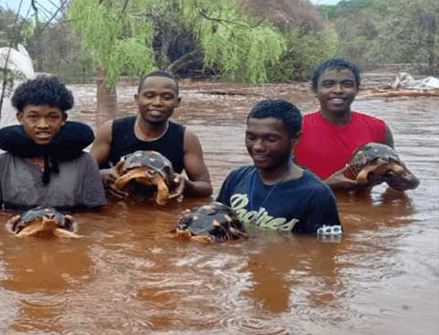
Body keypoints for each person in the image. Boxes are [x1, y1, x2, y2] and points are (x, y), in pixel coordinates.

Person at [0, 75, 106, 211]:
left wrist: (70, 226)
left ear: (63, 119)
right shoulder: (1, 164)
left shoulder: (84, 163)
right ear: (20, 117)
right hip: (19, 230)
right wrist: (12, 227)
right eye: (33, 117)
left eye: (52, 117)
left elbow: (95, 217)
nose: (43, 125)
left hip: (68, 231)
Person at [217, 99, 342, 236]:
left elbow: (326, 250)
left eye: (271, 139)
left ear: (295, 139)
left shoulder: (317, 194)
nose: (258, 147)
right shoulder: (236, 178)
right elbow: (217, 223)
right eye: (251, 137)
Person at [294, 58, 419, 192]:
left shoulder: (379, 128)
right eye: (328, 84)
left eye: (347, 84)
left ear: (357, 89)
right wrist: (328, 186)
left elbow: (393, 184)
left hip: (363, 209)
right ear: (315, 89)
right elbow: (278, 186)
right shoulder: (295, 129)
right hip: (309, 209)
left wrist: (410, 182)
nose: (338, 90)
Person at [90, 70, 212, 198]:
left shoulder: (186, 138)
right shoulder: (111, 130)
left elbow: (206, 187)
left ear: (177, 102)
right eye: (149, 96)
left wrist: (186, 185)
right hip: (116, 203)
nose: (157, 102)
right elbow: (82, 172)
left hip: (160, 205)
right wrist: (101, 176)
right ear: (137, 99)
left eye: (167, 97)